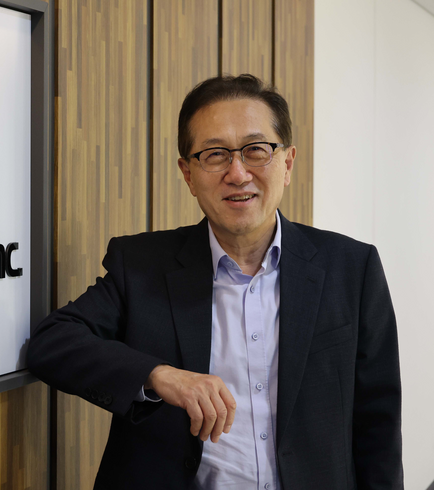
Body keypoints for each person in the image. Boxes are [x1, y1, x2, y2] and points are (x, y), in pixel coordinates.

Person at [26, 74, 403, 490]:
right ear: (188, 174)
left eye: (256, 150)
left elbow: (378, 425)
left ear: (287, 163)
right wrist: (158, 375)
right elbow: (51, 343)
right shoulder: (142, 266)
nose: (238, 174)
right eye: (215, 155)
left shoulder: (352, 268)